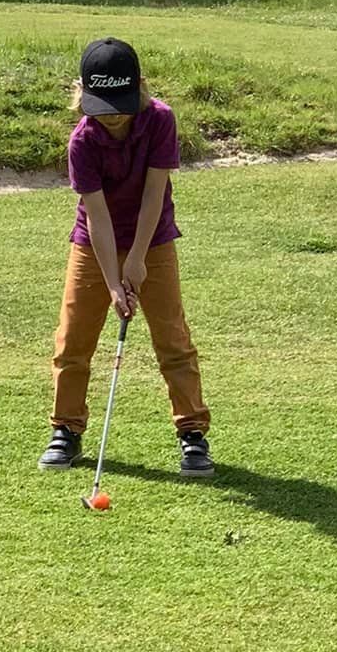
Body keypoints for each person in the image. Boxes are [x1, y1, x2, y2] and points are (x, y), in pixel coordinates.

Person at [39, 36, 213, 479]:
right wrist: (113, 282)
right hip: (93, 243)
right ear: (82, 94)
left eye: (120, 103)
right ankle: (66, 429)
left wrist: (136, 259)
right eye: (103, 105)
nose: (113, 115)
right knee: (73, 339)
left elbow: (155, 194)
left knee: (172, 337)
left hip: (153, 239)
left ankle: (192, 433)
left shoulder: (160, 120)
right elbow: (96, 216)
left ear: (139, 87)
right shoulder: (82, 141)